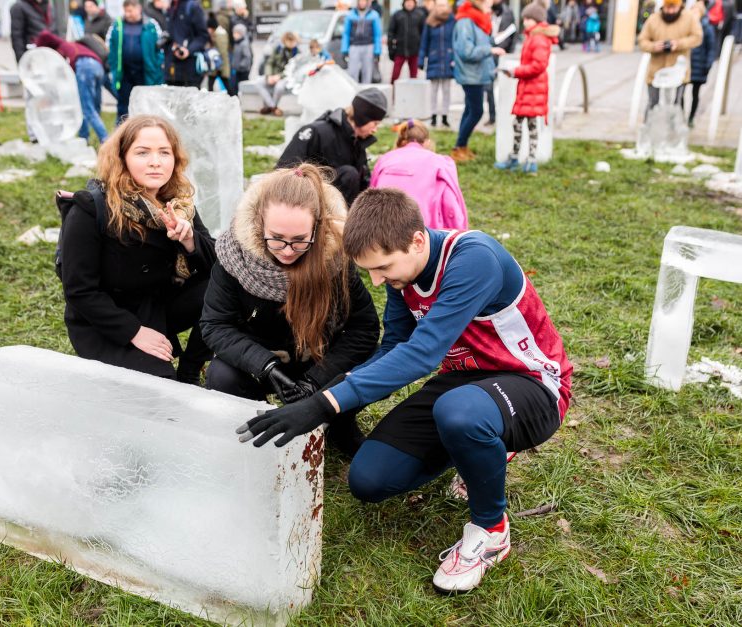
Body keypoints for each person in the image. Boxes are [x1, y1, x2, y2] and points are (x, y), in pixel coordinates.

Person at [236, 187, 572, 594]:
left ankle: (491, 530)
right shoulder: (403, 275)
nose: (379, 282)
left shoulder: (474, 258)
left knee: (460, 413)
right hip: (463, 385)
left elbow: (423, 353)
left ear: (416, 240)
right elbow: (394, 347)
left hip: (532, 385)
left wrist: (324, 405)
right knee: (369, 480)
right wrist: (326, 396)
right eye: (370, 272)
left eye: (383, 268)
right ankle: (485, 448)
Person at [201, 165, 380, 457]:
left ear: (318, 227)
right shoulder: (235, 257)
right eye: (277, 237)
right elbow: (214, 324)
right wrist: (266, 367)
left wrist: (317, 380)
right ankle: (261, 418)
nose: (286, 250)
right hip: (262, 360)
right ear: (259, 224)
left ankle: (338, 420)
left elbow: (365, 329)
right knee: (222, 375)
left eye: (299, 240)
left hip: (318, 358)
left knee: (374, 362)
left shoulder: (334, 260)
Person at [59, 115, 216, 384]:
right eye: (143, 152)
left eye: (164, 153)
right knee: (158, 388)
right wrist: (134, 332)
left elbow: (217, 265)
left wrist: (189, 240)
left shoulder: (176, 202)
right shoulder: (91, 207)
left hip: (156, 306)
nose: (156, 162)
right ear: (122, 158)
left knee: (224, 282)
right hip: (106, 321)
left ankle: (190, 370)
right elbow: (79, 290)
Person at [276, 88, 388, 205]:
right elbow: (284, 170)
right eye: (375, 123)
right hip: (308, 203)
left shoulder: (357, 141)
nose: (375, 129)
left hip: (340, 207)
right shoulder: (316, 132)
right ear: (363, 118)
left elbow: (364, 184)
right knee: (349, 174)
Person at [494, 2, 557, 174]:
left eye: (528, 18)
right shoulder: (533, 36)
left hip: (533, 88)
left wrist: (516, 71)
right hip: (528, 88)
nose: (525, 22)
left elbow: (538, 66)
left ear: (536, 19)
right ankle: (518, 158)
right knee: (521, 123)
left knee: (529, 124)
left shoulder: (538, 38)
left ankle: (529, 160)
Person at [370, 119, 467, 229]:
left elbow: (371, 194)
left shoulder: (384, 160)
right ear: (427, 142)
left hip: (381, 228)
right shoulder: (440, 163)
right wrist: (458, 235)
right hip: (421, 230)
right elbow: (450, 205)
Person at [451, 0, 506, 163]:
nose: (492, 4)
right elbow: (466, 51)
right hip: (471, 74)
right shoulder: (466, 21)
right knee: (476, 111)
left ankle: (460, 147)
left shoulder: (479, 19)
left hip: (477, 73)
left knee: (469, 110)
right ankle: (459, 145)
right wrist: (490, 50)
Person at [35, 30, 109, 143]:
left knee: (86, 108)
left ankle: (105, 140)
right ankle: (84, 137)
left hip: (85, 68)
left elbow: (61, 74)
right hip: (98, 67)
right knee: (93, 106)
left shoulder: (59, 49)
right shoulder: (71, 45)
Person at [637, 0, 702, 112]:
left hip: (679, 71)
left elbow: (697, 37)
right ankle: (650, 125)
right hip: (656, 70)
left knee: (676, 104)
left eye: (673, 8)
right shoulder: (653, 19)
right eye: (668, 8)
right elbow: (642, 41)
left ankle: (675, 126)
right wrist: (653, 46)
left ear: (679, 7)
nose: (670, 11)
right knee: (653, 102)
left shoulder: (689, 18)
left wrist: (679, 44)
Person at [107, 0, 164, 124]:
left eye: (130, 11)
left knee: (145, 105)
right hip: (124, 72)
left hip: (145, 72)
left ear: (138, 9)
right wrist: (113, 66)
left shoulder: (151, 25)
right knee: (123, 105)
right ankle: (121, 133)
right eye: (126, 11)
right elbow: (110, 46)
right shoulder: (117, 25)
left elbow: (160, 47)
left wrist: (157, 65)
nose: (128, 14)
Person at [10, 0, 52, 141]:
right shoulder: (19, 7)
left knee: (47, 95)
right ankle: (34, 134)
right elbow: (17, 36)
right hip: (31, 58)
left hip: (46, 56)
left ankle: (47, 129)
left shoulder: (46, 5)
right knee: (32, 96)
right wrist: (22, 63)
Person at [419, 0, 455, 127]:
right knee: (433, 90)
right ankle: (433, 115)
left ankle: (445, 116)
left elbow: (455, 40)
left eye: (444, 5)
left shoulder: (452, 21)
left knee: (446, 90)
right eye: (439, 5)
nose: (441, 7)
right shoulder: (430, 21)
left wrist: (455, 58)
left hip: (448, 59)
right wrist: (421, 60)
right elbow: (424, 42)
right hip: (434, 59)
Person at [163, 0, 209, 88]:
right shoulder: (170, 7)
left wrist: (188, 50)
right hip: (171, 71)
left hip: (189, 71)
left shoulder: (193, 7)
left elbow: (203, 36)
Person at [254, 31, 299, 116]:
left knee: (279, 87)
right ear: (284, 41)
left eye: (292, 41)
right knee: (258, 83)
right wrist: (269, 75)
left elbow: (294, 70)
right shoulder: (278, 49)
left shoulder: (296, 52)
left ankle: (270, 107)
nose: (291, 43)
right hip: (273, 75)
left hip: (285, 77)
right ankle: (273, 107)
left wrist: (279, 76)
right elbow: (269, 63)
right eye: (289, 41)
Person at [486, 0, 515, 125]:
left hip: (503, 53)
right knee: (489, 87)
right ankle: (492, 116)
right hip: (490, 52)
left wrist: (504, 51)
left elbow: (510, 36)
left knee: (504, 84)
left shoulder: (507, 13)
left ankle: (504, 114)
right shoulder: (487, 12)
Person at [688, 0, 716, 128]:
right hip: (686, 66)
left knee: (695, 93)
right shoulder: (686, 27)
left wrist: (708, 65)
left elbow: (711, 49)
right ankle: (681, 115)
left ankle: (691, 117)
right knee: (680, 93)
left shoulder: (707, 28)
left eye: (696, 11)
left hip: (699, 66)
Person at [342, 0, 383, 84]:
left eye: (364, 1)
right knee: (352, 71)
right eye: (360, 1)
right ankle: (353, 92)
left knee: (367, 72)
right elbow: (346, 33)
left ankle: (365, 92)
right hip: (354, 46)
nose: (362, 3)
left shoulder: (374, 15)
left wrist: (377, 51)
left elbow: (377, 34)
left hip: (368, 46)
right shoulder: (350, 15)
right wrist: (344, 50)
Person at [389, 0, 426, 82]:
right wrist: (391, 50)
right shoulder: (397, 15)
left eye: (411, 2)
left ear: (414, 3)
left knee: (414, 76)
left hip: (415, 51)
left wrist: (422, 50)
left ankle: (413, 93)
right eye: (407, 2)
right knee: (395, 75)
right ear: (404, 3)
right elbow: (391, 33)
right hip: (400, 50)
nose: (409, 4)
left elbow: (423, 33)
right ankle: (393, 93)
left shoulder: (420, 15)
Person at [206, 12, 231, 92]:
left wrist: (220, 67)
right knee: (211, 84)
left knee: (226, 85)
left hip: (220, 65)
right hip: (217, 65)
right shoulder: (217, 34)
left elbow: (222, 52)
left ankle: (235, 100)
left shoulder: (220, 35)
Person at [231, 23, 253, 95]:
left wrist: (241, 65)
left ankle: (246, 99)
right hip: (237, 70)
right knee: (234, 87)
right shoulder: (236, 43)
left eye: (236, 33)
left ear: (241, 34)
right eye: (234, 33)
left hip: (243, 71)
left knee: (244, 86)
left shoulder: (244, 44)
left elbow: (247, 57)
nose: (234, 35)